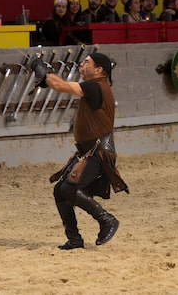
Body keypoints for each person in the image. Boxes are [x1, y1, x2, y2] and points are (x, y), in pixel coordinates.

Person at [34, 50, 127, 250]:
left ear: (99, 70)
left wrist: (40, 69)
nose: (81, 65)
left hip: (98, 151)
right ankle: (74, 239)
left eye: (86, 62)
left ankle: (107, 220)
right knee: (60, 190)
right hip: (88, 151)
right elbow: (57, 84)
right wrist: (45, 77)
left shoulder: (96, 87)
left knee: (69, 188)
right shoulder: (96, 87)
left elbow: (60, 86)